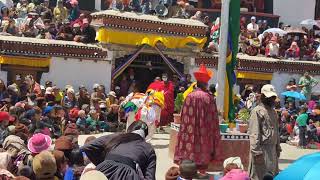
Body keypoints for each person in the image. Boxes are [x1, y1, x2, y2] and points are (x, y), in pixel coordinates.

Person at [174, 64, 220, 174]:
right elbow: (213, 118)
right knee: (203, 147)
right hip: (204, 131)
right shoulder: (208, 97)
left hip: (190, 130)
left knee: (190, 146)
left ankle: (188, 169)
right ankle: (202, 172)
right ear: (205, 84)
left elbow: (183, 116)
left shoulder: (189, 96)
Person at [81, 120, 156, 180]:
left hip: (104, 169)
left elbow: (87, 146)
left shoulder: (117, 137)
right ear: (145, 136)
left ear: (129, 130)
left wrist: (103, 162)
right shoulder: (148, 148)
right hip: (128, 175)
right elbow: (150, 177)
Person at [248, 84, 281, 180]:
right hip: (262, 150)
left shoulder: (273, 112)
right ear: (263, 96)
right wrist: (256, 152)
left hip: (272, 150)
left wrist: (278, 147)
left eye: (273, 97)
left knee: (271, 176)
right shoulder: (257, 111)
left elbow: (276, 131)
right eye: (269, 97)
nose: (271, 99)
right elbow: (254, 133)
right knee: (259, 176)